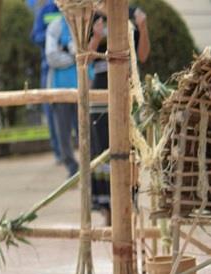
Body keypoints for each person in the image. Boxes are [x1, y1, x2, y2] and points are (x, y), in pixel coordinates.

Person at [88, 5, 149, 225]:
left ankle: (128, 206)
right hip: (102, 95)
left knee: (130, 150)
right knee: (103, 152)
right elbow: (85, 59)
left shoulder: (132, 13)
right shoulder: (91, 15)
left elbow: (142, 55)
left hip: (129, 91)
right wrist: (96, 36)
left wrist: (143, 26)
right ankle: (108, 211)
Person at [45, 14, 78, 177]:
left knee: (85, 132)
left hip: (82, 88)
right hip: (60, 89)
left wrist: (65, 51)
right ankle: (72, 167)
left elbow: (87, 54)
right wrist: (74, 57)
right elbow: (51, 57)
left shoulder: (84, 24)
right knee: (63, 134)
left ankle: (90, 167)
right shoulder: (55, 26)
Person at [31, 1, 62, 165]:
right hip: (49, 68)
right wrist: (52, 37)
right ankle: (59, 153)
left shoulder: (76, 8)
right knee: (52, 112)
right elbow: (36, 36)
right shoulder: (46, 11)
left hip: (73, 66)